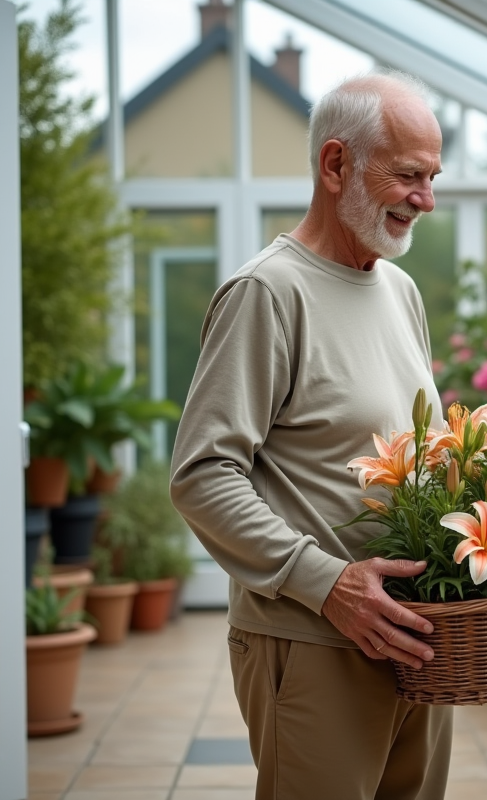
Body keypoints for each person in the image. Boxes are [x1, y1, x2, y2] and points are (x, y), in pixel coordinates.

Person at [169, 71, 452, 800]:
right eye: (409, 175)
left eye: (433, 178)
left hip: (416, 638)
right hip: (316, 639)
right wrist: (328, 586)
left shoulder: (400, 290)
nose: (425, 199)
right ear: (335, 165)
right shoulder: (267, 293)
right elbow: (202, 475)